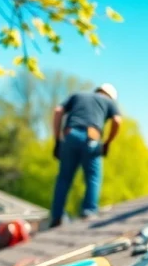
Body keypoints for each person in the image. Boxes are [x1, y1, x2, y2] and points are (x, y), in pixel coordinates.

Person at [49, 83, 122, 227]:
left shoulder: (78, 95)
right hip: (91, 138)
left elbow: (58, 111)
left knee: (63, 178)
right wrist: (107, 142)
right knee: (93, 177)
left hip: (69, 136)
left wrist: (57, 140)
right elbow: (117, 121)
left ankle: (56, 217)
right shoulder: (108, 102)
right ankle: (88, 212)